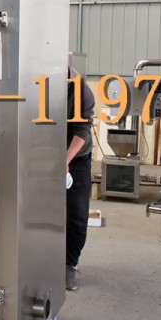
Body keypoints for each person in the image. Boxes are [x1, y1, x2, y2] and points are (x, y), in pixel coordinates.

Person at [66, 66, 95, 291]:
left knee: (76, 214)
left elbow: (82, 131)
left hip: (76, 158)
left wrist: (64, 160)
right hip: (44, 152)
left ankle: (69, 265)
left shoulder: (80, 90)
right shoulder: (37, 82)